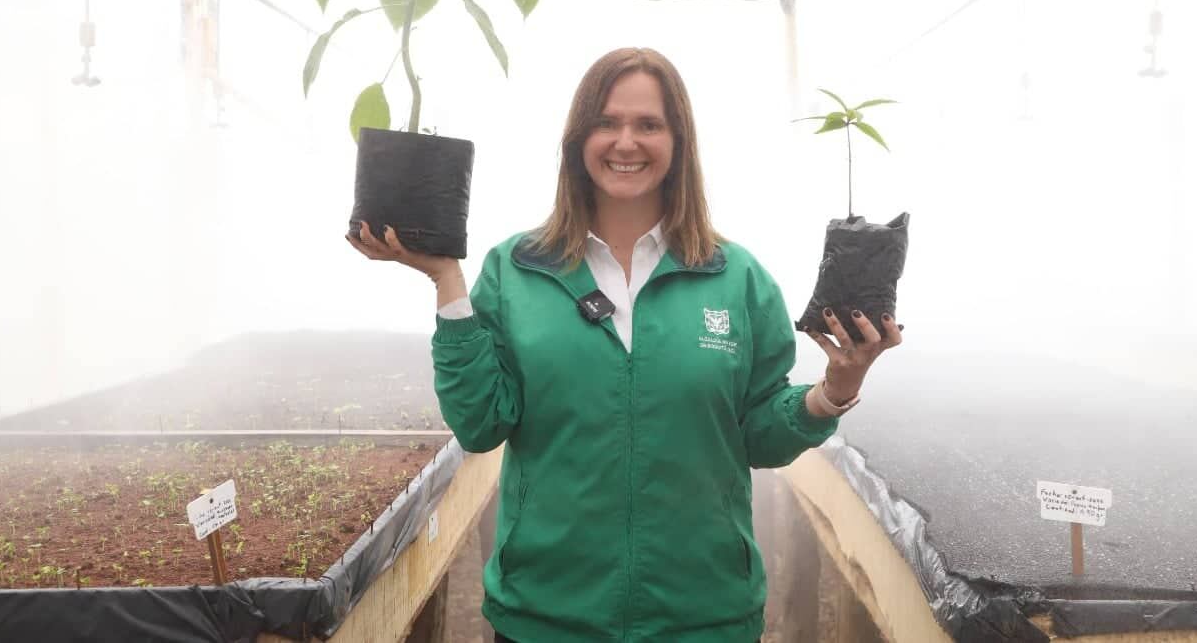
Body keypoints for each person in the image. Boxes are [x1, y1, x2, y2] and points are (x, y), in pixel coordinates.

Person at [348, 47, 903, 643]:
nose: (625, 142)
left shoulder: (736, 278)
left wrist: (834, 390)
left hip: (703, 616)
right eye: (606, 122)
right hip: (546, 615)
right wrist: (446, 281)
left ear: (679, 142)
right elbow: (481, 424)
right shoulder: (516, 270)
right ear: (577, 140)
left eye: (648, 125)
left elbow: (758, 436)